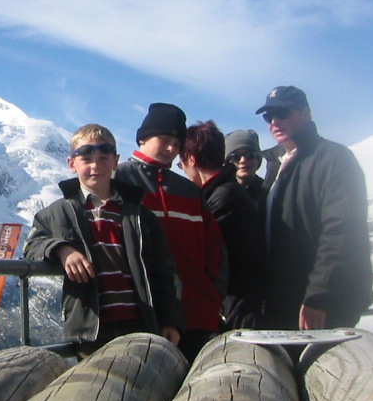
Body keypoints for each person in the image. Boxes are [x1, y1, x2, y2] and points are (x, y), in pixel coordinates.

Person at [24, 123, 183, 358]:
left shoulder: (141, 215)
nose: (95, 166)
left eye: (103, 158)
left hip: (141, 322)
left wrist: (171, 319)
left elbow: (164, 270)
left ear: (115, 161)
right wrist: (62, 249)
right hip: (91, 330)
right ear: (72, 164)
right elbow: (31, 246)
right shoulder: (55, 213)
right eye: (86, 159)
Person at [256, 85, 373, 330]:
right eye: (269, 116)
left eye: (283, 113)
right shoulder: (277, 164)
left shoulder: (334, 159)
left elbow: (341, 231)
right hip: (282, 299)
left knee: (324, 367)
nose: (274, 122)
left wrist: (320, 295)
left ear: (306, 113)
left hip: (320, 305)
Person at [116, 103, 225, 362]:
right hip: (147, 311)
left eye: (177, 144)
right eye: (164, 140)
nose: (171, 149)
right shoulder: (119, 181)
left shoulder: (187, 190)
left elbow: (215, 247)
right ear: (143, 138)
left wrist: (213, 292)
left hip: (197, 312)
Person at [181, 121, 265, 330]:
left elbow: (199, 252)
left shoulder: (222, 198)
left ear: (191, 159)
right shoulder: (226, 192)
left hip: (240, 310)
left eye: (181, 164)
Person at [224, 129, 266, 205]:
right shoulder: (219, 194)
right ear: (227, 162)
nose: (243, 160)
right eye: (235, 157)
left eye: (249, 155)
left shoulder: (270, 193)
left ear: (258, 159)